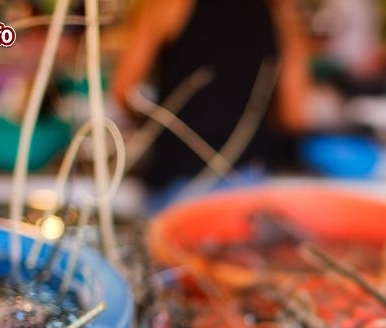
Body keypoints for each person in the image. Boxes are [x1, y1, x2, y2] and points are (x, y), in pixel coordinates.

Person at [113, 0, 310, 203]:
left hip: (176, 182)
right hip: (245, 183)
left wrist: (156, 125)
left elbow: (124, 90)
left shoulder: (168, 5)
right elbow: (294, 116)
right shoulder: (280, 13)